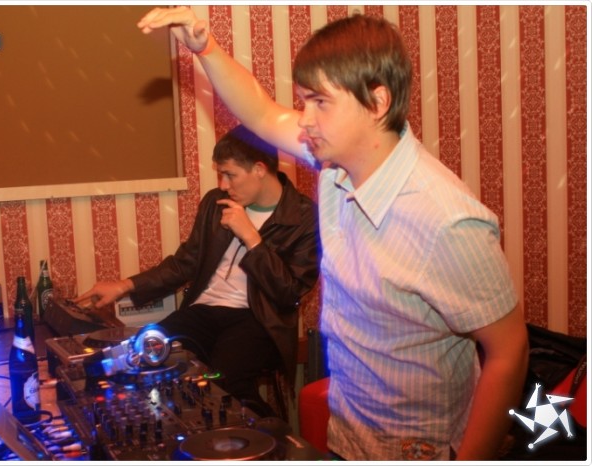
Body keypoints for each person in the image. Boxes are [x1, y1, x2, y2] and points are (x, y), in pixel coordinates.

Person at [138, 7, 529, 461]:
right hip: (348, 437)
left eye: (320, 102)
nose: (304, 119)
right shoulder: (334, 166)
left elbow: (509, 352)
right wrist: (205, 47)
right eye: (304, 101)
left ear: (377, 103)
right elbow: (262, 112)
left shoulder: (447, 219)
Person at [77, 124, 320, 418]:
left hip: (259, 320)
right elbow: (185, 263)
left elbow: (289, 293)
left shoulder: (305, 217)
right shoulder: (215, 204)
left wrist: (252, 239)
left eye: (230, 174)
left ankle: (269, 437)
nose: (224, 185)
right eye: (220, 175)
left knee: (221, 381)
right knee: (144, 354)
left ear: (259, 169)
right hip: (204, 310)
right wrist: (123, 285)